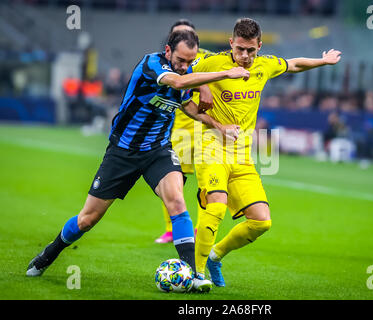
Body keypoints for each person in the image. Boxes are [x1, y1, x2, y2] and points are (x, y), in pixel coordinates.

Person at [26, 30, 249, 293]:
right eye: (180, 60)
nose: (185, 66)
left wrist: (219, 126)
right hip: (122, 152)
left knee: (177, 200)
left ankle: (192, 273)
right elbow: (177, 83)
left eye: (190, 62)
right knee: (87, 219)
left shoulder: (184, 73)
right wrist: (226, 74)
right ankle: (49, 254)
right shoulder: (152, 64)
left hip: (158, 150)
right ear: (168, 51)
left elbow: (187, 105)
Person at [192, 18, 341, 287]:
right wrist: (204, 90)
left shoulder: (265, 65)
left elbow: (293, 64)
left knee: (261, 222)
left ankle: (215, 256)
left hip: (242, 156)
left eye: (251, 50)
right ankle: (197, 274)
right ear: (231, 44)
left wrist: (324, 61)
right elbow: (183, 80)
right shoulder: (212, 63)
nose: (245, 56)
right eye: (240, 49)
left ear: (260, 46)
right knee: (215, 205)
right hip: (210, 149)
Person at [155, 19, 214, 244]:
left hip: (203, 128)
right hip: (177, 127)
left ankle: (200, 228)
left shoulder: (208, 58)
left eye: (188, 34)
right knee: (172, 180)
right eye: (178, 35)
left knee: (206, 181)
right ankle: (171, 228)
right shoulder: (163, 62)